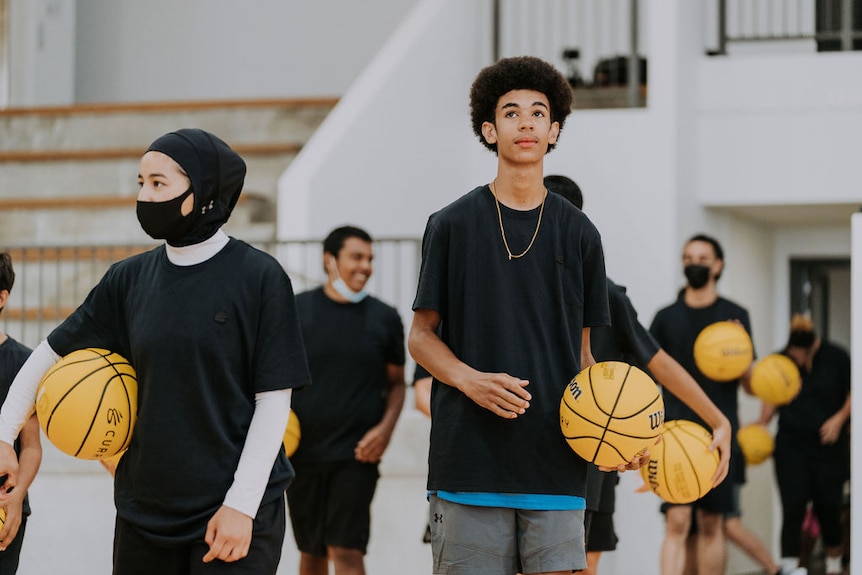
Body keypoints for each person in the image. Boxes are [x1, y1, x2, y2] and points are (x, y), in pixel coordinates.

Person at [0, 128, 311, 575]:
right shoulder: (127, 280)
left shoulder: (259, 278)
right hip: (144, 511)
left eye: (159, 184)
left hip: (231, 513)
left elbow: (274, 401)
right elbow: (50, 353)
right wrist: (3, 434)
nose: (145, 196)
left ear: (202, 193)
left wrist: (242, 507)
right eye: (140, 183)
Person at [408, 55, 652, 575]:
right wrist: (469, 381)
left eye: (538, 113)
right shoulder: (450, 224)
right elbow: (421, 337)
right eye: (512, 112)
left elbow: (583, 354)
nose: (526, 123)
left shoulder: (581, 234)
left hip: (557, 463)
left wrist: (618, 431)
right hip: (469, 464)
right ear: (489, 129)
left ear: (554, 130)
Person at [543, 175, 733, 575]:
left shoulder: (605, 294)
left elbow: (658, 361)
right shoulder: (511, 288)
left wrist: (718, 419)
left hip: (596, 460)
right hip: (533, 454)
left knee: (582, 564)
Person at [286, 225, 406, 575]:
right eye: (356, 257)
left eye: (370, 259)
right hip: (302, 455)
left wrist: (384, 432)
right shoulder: (296, 310)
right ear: (330, 261)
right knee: (311, 553)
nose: (365, 266)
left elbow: (397, 384)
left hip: (356, 456)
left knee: (348, 553)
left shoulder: (384, 317)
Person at [649, 233, 754, 575]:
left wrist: (740, 352)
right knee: (677, 521)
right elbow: (648, 376)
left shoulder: (735, 317)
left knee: (712, 523)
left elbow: (751, 386)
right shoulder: (665, 317)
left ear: (718, 265)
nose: (694, 264)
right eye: (688, 258)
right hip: (674, 432)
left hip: (718, 432)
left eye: (703, 259)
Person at [759, 314, 850, 575]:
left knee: (829, 509)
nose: (797, 360)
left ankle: (834, 566)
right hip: (791, 448)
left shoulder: (837, 358)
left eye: (801, 354)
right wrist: (759, 425)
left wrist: (839, 420)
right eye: (793, 353)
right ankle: (790, 568)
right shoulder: (780, 361)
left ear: (813, 347)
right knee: (793, 508)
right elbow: (768, 408)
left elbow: (854, 393)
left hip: (828, 449)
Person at [0, 253, 42, 574]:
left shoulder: (24, 364)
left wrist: (16, 499)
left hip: (4, 504)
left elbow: (30, 447)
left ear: (2, 298)